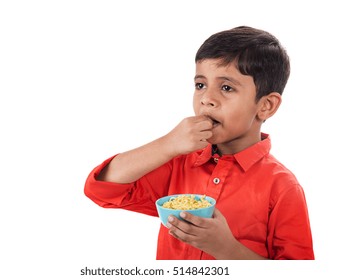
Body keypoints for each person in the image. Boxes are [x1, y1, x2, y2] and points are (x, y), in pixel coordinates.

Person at [84, 26, 314, 260]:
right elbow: (102, 188)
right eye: (200, 85)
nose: (206, 99)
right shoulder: (179, 163)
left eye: (226, 88)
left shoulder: (282, 187)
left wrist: (227, 249)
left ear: (266, 106)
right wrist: (168, 144)